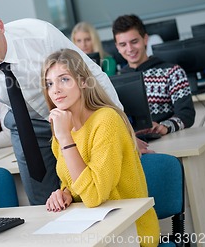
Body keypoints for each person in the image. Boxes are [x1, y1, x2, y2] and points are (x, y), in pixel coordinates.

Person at [0, 0, 121, 215]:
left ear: (0, 26)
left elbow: (92, 73)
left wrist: (122, 124)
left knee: (94, 187)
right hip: (27, 125)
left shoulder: (39, 34)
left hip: (74, 117)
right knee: (44, 204)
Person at [42, 49, 159, 247]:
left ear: (83, 82)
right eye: (50, 83)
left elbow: (94, 195)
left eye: (64, 79)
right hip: (92, 228)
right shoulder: (62, 128)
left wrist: (65, 139)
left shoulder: (106, 120)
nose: (55, 90)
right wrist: (65, 193)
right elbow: (72, 180)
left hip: (130, 232)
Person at [113, 14, 195, 136]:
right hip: (134, 144)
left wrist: (164, 127)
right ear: (117, 47)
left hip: (169, 137)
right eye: (123, 45)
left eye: (134, 42)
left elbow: (186, 114)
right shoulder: (116, 80)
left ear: (145, 39)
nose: (129, 49)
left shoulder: (172, 72)